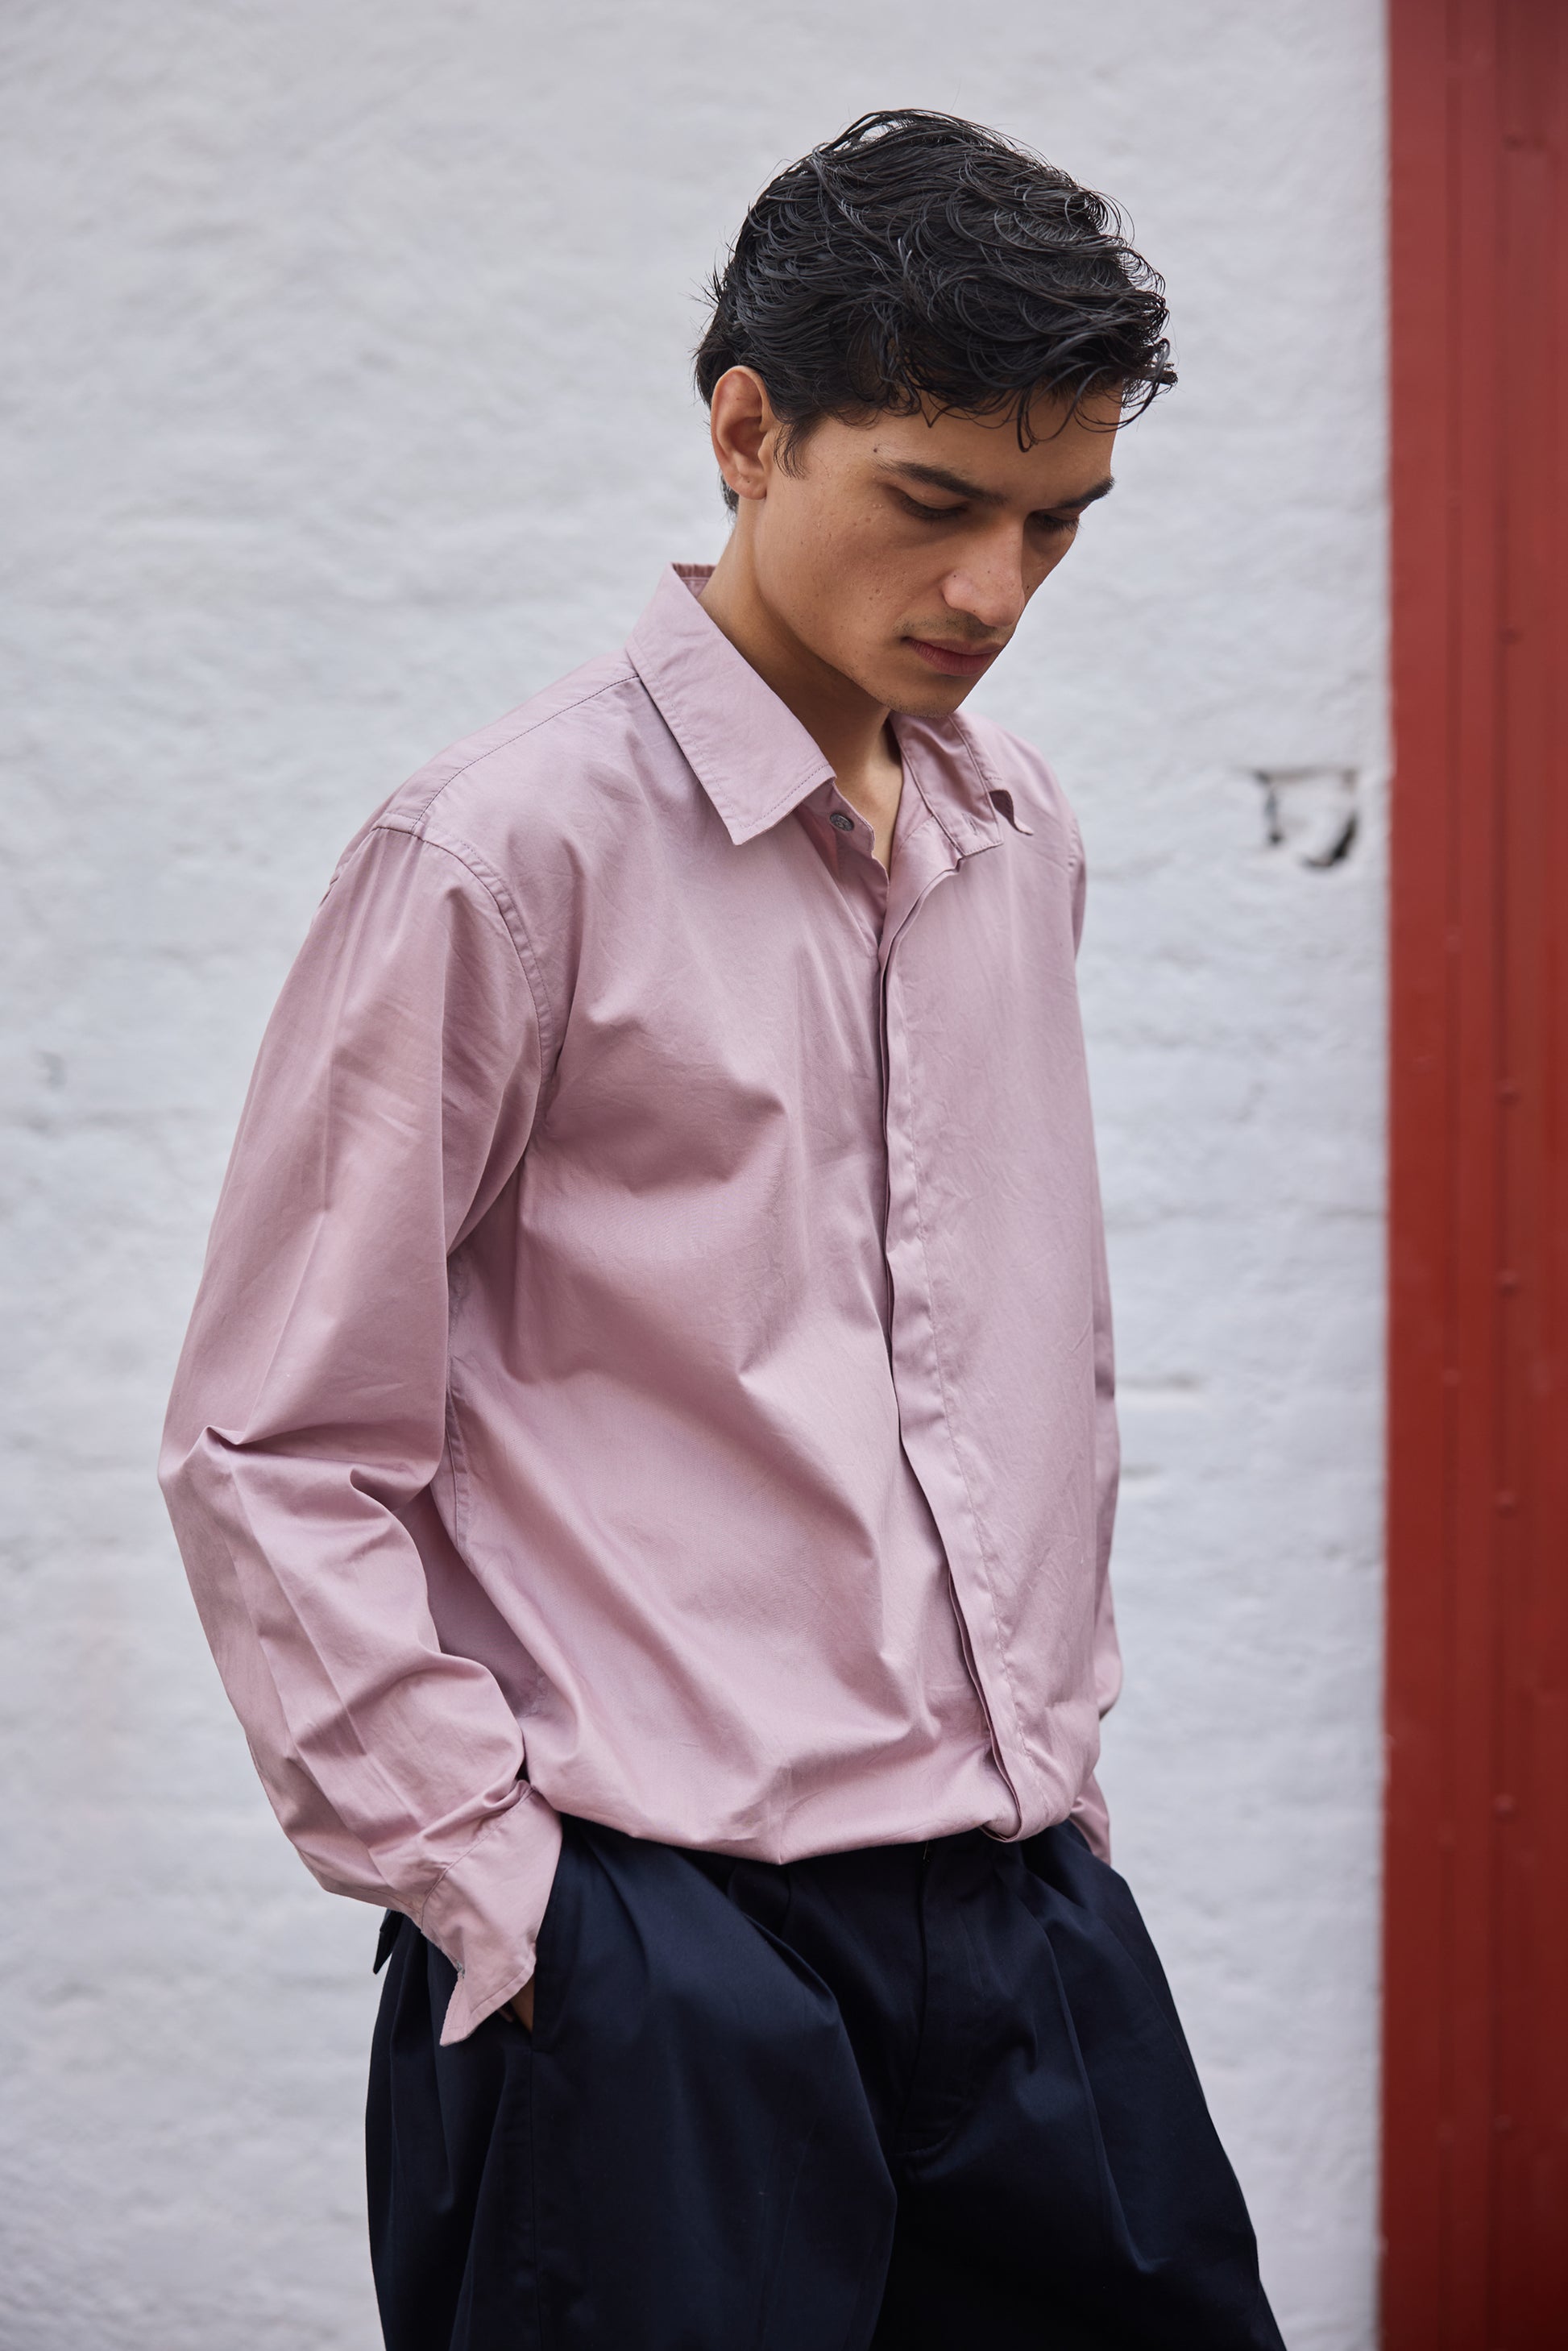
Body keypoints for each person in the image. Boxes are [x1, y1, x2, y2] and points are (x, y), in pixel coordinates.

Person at [160, 108, 1286, 2351]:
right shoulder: (500, 854)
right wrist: (513, 1900)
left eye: (1057, 523)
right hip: (649, 1953)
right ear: (748, 432)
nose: (995, 593)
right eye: (934, 502)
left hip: (1017, 1918)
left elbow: (1015, 1361)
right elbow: (271, 1445)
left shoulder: (1012, 831)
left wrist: (1055, 1781)